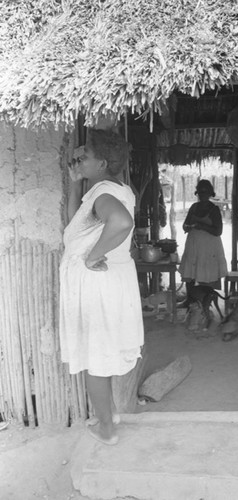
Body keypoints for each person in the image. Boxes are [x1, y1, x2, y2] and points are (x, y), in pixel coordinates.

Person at [59, 129, 144, 445]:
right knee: (100, 355)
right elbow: (75, 228)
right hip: (108, 284)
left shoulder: (105, 195)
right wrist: (74, 186)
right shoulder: (112, 190)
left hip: (96, 287)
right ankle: (109, 416)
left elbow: (121, 223)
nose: (81, 160)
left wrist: (94, 256)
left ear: (103, 163)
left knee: (94, 359)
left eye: (87, 157)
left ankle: (107, 429)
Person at [179, 179, 227, 298]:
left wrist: (202, 226)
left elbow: (218, 231)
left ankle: (206, 304)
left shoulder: (214, 209)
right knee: (190, 275)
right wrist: (187, 227)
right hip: (193, 245)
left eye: (205, 193)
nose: (202, 195)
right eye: (200, 193)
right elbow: (185, 224)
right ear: (197, 194)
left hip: (208, 248)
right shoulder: (194, 207)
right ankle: (190, 301)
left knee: (207, 276)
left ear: (210, 194)